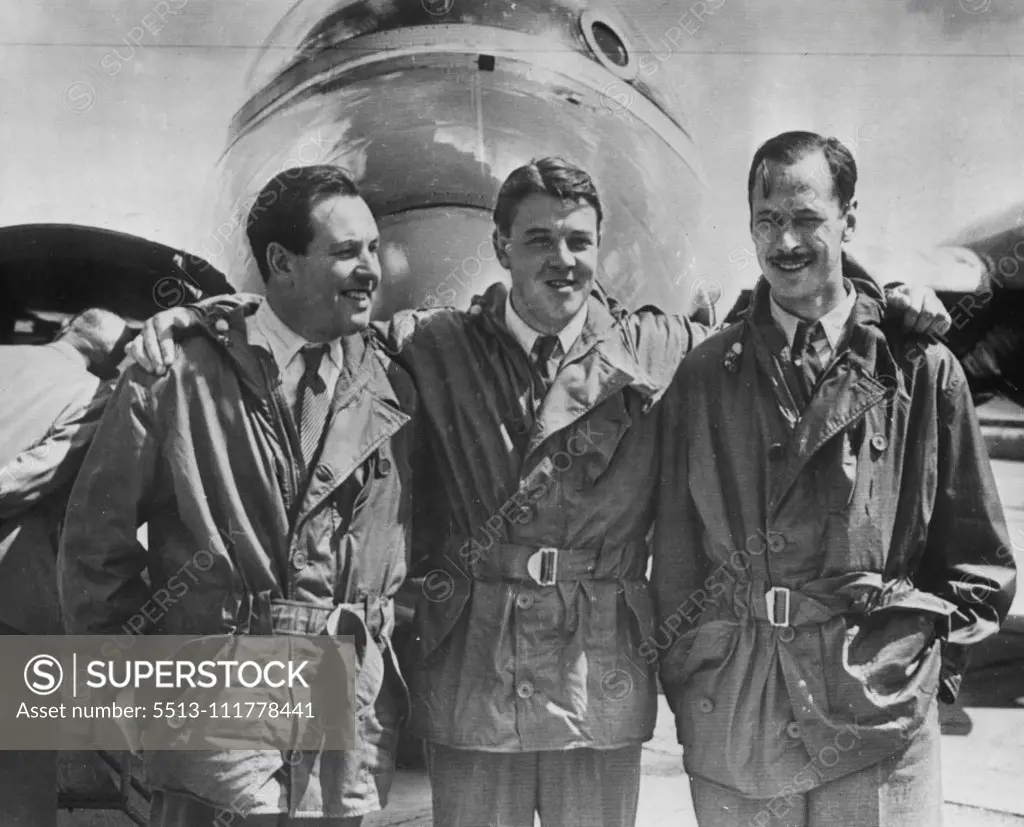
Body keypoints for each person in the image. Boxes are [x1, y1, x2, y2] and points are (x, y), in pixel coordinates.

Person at [127, 157, 951, 827]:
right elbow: (314, 326)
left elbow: (785, 327)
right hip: (475, 671)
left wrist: (883, 301)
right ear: (501, 246)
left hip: (599, 675)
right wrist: (210, 317)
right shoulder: (431, 344)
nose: (563, 259)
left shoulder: (659, 348)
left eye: (580, 241)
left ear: (601, 250)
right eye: (539, 239)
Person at [652, 131, 1017, 827]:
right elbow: (675, 559)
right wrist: (698, 675)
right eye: (767, 220)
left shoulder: (921, 367)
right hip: (740, 719)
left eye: (807, 217)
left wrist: (912, 664)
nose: (785, 240)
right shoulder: (704, 374)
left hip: (876, 723)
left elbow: (977, 561)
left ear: (850, 217)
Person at [59, 165, 418, 826]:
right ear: (281, 262)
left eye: (372, 247)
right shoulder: (173, 375)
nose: (372, 267)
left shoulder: (396, 375)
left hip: (343, 734)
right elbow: (93, 555)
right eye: (346, 251)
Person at [0, 307, 130, 827]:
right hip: (17, 597)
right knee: (23, 762)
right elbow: (36, 478)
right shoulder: (93, 395)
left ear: (65, 330)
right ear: (108, 358)